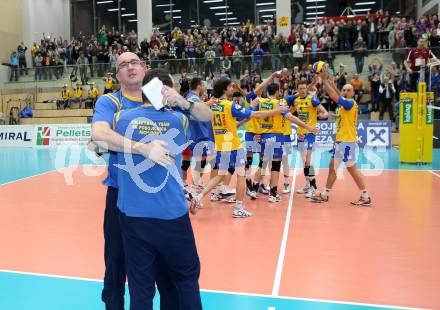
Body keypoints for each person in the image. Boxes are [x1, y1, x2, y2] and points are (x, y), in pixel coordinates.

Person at [91, 53, 212, 310]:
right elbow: (98, 135)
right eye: (123, 65)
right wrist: (141, 148)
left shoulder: (172, 105)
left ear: (146, 70)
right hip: (123, 197)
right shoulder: (111, 103)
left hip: (147, 207)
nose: (130, 67)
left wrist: (183, 101)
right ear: (117, 75)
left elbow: (205, 114)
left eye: (134, 62)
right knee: (117, 265)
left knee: (148, 279)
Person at [193, 78, 288, 216]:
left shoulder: (213, 104)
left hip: (221, 145)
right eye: (230, 87)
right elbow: (255, 114)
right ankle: (238, 208)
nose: (233, 89)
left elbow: (235, 119)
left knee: (220, 176)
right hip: (233, 146)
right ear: (224, 89)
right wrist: (277, 111)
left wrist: (249, 108)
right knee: (241, 176)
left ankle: (198, 196)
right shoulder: (229, 105)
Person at [311, 68, 372, 206]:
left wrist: (324, 79)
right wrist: (332, 84)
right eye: (344, 90)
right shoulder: (346, 102)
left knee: (351, 169)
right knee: (333, 166)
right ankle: (326, 194)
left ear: (353, 93)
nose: (345, 92)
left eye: (348, 90)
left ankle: (365, 195)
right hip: (341, 141)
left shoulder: (350, 104)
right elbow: (338, 95)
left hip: (347, 142)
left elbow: (334, 96)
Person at [290, 80, 328, 197]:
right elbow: (289, 114)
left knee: (308, 161)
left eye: (304, 88)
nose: (302, 90)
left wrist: (319, 116)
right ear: (297, 90)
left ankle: (313, 186)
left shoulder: (312, 100)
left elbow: (325, 112)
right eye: (300, 88)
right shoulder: (295, 101)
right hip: (300, 134)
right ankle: (307, 184)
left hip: (310, 134)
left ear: (307, 89)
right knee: (304, 161)